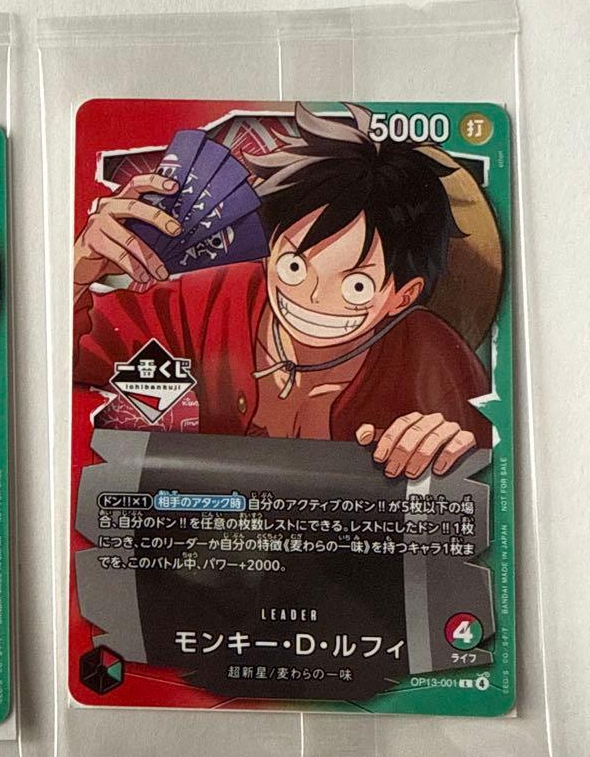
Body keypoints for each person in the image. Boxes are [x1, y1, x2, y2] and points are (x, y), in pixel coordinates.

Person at [73, 103, 490, 480]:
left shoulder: (432, 359)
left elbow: (482, 473)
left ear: (403, 295)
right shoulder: (210, 299)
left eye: (356, 286)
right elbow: (73, 358)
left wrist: (450, 448)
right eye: (294, 266)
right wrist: (77, 272)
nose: (311, 296)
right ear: (269, 248)